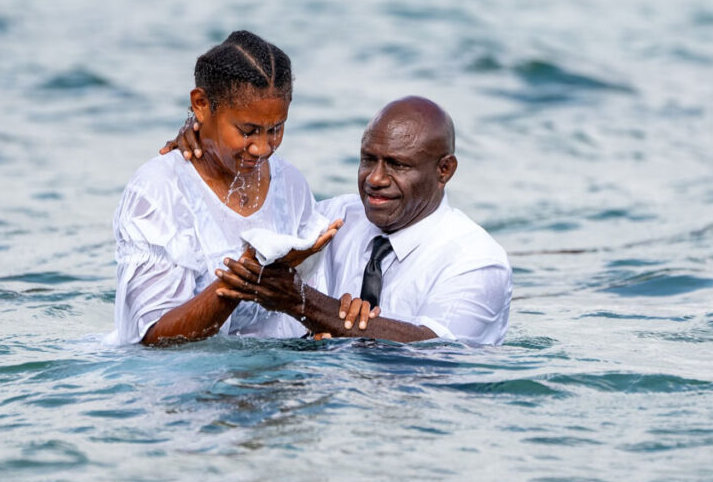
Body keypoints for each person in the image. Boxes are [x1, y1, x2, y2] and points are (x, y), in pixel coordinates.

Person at [172, 96, 512, 345]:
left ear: (444, 170)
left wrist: (304, 303)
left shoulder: (476, 259)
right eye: (368, 160)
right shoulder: (339, 217)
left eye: (398, 165)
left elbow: (437, 350)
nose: (375, 178)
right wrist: (208, 146)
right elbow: (246, 219)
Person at [107, 30, 340, 346]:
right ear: (201, 104)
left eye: (276, 129)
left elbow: (299, 312)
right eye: (248, 131)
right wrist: (245, 278)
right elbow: (153, 338)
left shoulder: (290, 184)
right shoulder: (159, 191)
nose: (262, 148)